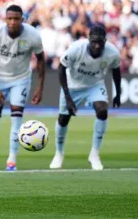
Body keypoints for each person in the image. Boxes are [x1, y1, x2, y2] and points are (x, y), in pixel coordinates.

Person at [50, 25, 121, 170]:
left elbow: (116, 70)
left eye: (100, 42)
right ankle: (59, 153)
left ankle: (94, 154)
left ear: (105, 41)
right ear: (88, 39)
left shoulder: (112, 53)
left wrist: (118, 93)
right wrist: (68, 98)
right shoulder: (76, 48)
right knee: (63, 119)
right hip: (72, 85)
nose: (96, 45)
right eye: (94, 41)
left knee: (102, 111)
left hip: (94, 84)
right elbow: (61, 68)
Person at [0, 4, 46, 171]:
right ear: (5, 19)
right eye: (9, 18)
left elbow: (41, 60)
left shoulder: (32, 35)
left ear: (22, 19)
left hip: (21, 79)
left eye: (16, 19)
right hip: (0, 78)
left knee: (16, 117)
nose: (12, 22)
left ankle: (11, 160)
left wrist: (40, 87)